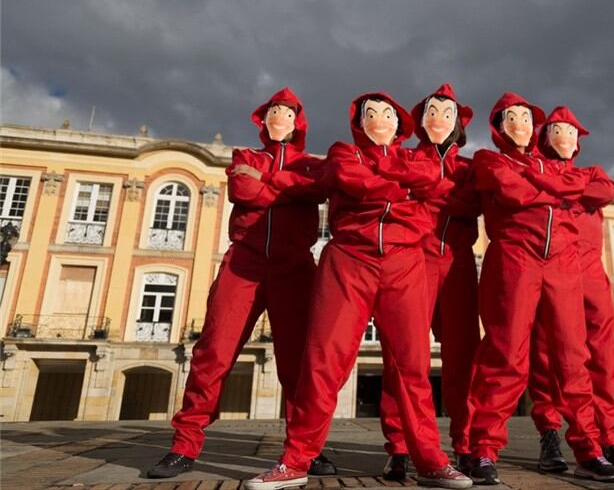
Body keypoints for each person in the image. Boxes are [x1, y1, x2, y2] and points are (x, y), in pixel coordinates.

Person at [245, 92, 472, 490]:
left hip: (405, 263)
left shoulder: (416, 158)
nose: (379, 119)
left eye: (388, 114)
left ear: (400, 126)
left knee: (412, 366)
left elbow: (430, 182)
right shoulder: (342, 152)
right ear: (359, 122)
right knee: (323, 362)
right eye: (371, 114)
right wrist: (400, 190)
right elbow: (349, 179)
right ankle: (296, 460)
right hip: (348, 258)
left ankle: (431, 460)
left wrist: (387, 184)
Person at [147, 87, 335, 479]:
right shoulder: (244, 158)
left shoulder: (312, 165)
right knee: (213, 351)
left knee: (298, 362)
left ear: (297, 122)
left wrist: (270, 182)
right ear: (263, 122)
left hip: (294, 266)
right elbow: (243, 189)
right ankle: (185, 444)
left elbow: (316, 190)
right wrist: (286, 187)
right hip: (243, 262)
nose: (278, 119)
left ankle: (306, 448)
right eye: (271, 113)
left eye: (285, 113)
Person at [466, 93, 614, 485]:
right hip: (514, 259)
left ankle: (588, 450)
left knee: (574, 358)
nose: (520, 125)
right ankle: (484, 449)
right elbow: (511, 191)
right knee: (506, 355)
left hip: (563, 265)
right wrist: (563, 186)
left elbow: (604, 189)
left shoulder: (545, 164)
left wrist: (544, 180)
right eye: (511, 119)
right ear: (498, 127)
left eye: (525, 119)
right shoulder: (489, 160)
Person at [527, 106, 614, 474]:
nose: (566, 138)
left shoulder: (590, 173)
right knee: (546, 357)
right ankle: (550, 435)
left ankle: (607, 438)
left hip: (592, 273)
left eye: (572, 133)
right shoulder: (536, 170)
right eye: (558, 132)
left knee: (601, 359)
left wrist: (561, 186)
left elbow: (605, 190)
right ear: (545, 138)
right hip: (553, 270)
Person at [377, 84, 481, 479]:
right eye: (432, 112)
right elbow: (396, 194)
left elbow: (475, 204)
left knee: (464, 359)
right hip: (411, 262)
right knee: (403, 358)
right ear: (421, 121)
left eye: (447, 113)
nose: (439, 118)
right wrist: (438, 193)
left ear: (457, 123)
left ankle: (467, 445)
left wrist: (426, 191)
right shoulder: (402, 157)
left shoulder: (470, 168)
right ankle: (400, 447)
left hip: (457, 265)